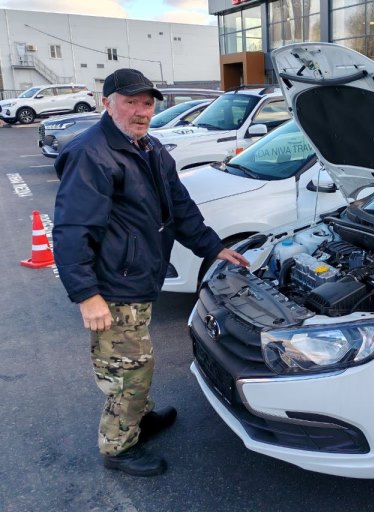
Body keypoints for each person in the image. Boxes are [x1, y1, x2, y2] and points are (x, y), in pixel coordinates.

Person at [52, 68, 249, 477]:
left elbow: (179, 206)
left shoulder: (150, 147)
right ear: (106, 103)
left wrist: (213, 248)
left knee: (137, 359)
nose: (141, 111)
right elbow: (73, 230)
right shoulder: (93, 154)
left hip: (138, 278)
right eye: (130, 102)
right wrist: (87, 295)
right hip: (112, 287)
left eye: (146, 103)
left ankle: (138, 418)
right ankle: (118, 446)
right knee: (128, 371)